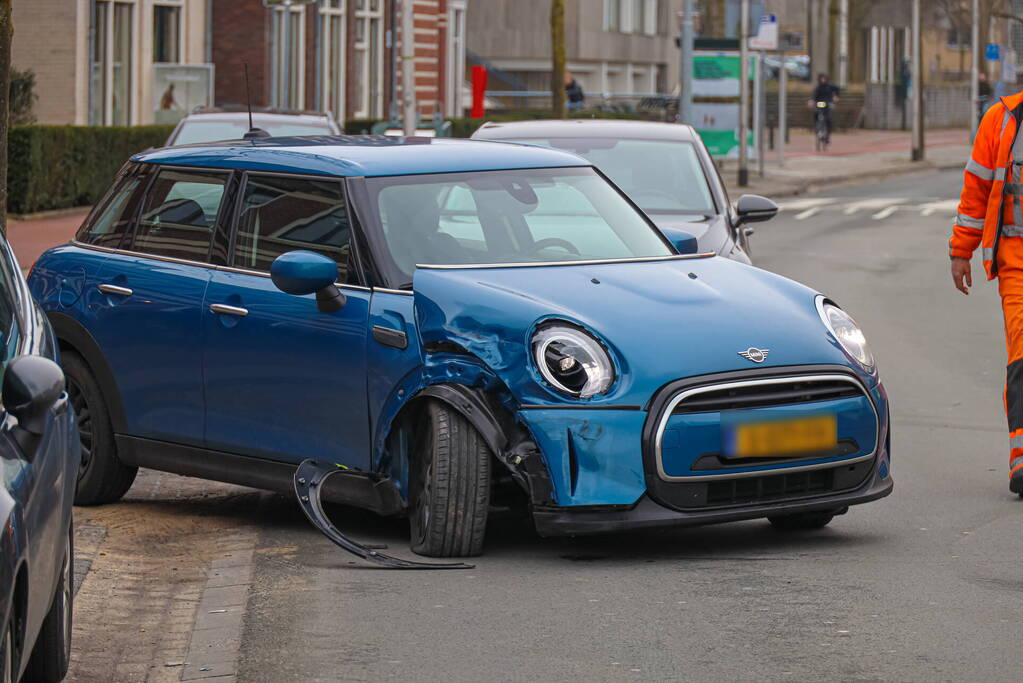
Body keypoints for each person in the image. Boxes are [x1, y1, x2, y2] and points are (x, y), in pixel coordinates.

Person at [950, 88, 1023, 494]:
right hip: (1017, 262)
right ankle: (1022, 460)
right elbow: (976, 190)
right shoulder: (1001, 119)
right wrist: (961, 250)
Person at [810, 72, 840, 141]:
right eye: (821, 78)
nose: (823, 80)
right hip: (820, 104)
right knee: (816, 114)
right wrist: (811, 101)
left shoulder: (830, 86)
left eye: (824, 78)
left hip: (828, 103)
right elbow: (814, 95)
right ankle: (817, 128)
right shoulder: (818, 87)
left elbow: (837, 90)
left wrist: (836, 96)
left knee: (828, 119)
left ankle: (828, 135)